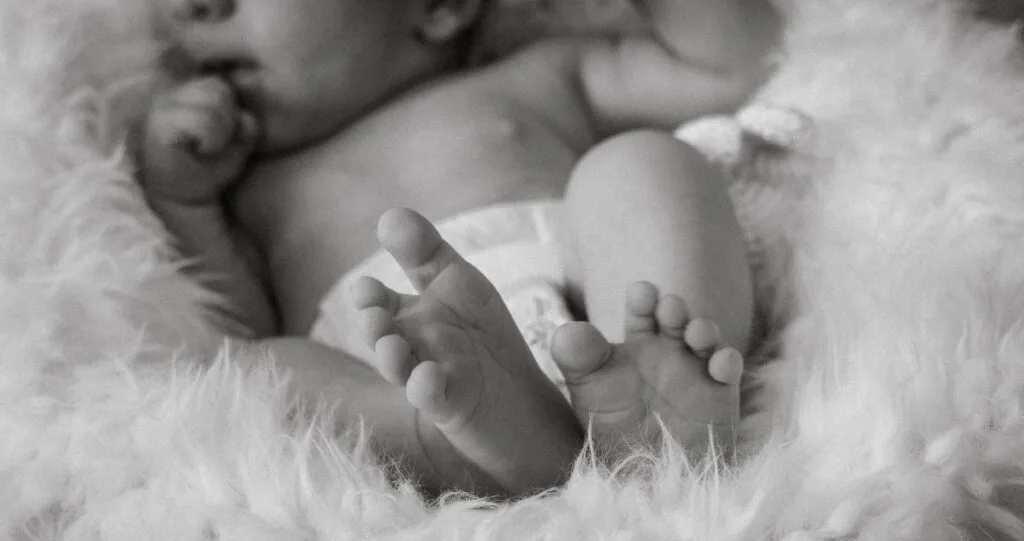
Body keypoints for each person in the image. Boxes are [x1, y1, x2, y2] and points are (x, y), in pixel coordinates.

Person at [139, 0, 779, 497]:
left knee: (641, 163)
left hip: (600, 316)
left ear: (441, 4)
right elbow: (222, 319)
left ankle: (657, 397)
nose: (190, 8)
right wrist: (183, 200)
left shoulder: (536, 78)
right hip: (411, 389)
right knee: (251, 371)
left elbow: (725, 67)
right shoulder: (252, 189)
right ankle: (478, 443)